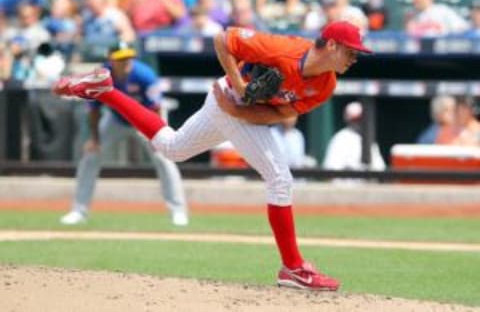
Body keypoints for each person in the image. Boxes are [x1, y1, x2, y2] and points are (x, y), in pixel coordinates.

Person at [53, 20, 372, 291]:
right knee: (279, 179)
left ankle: (105, 90)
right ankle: (293, 267)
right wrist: (238, 86)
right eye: (351, 51)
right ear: (330, 45)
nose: (354, 58)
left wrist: (241, 109)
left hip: (236, 110)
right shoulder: (282, 49)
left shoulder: (326, 84)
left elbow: (280, 114)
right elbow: (223, 39)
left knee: (173, 148)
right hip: (226, 96)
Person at [59, 41, 188, 226]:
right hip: (115, 121)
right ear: (110, 59)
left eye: (128, 57)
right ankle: (78, 211)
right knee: (90, 156)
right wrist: (94, 140)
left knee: (165, 157)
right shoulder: (101, 76)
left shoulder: (144, 74)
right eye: (121, 58)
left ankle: (178, 211)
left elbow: (156, 107)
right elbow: (93, 110)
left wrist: (158, 136)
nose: (126, 61)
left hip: (146, 121)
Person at [323, 101, 385, 173]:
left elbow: (380, 168)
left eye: (359, 119)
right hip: (345, 183)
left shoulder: (369, 139)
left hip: (367, 183)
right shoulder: (340, 138)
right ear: (348, 120)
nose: (357, 123)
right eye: (354, 120)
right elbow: (330, 168)